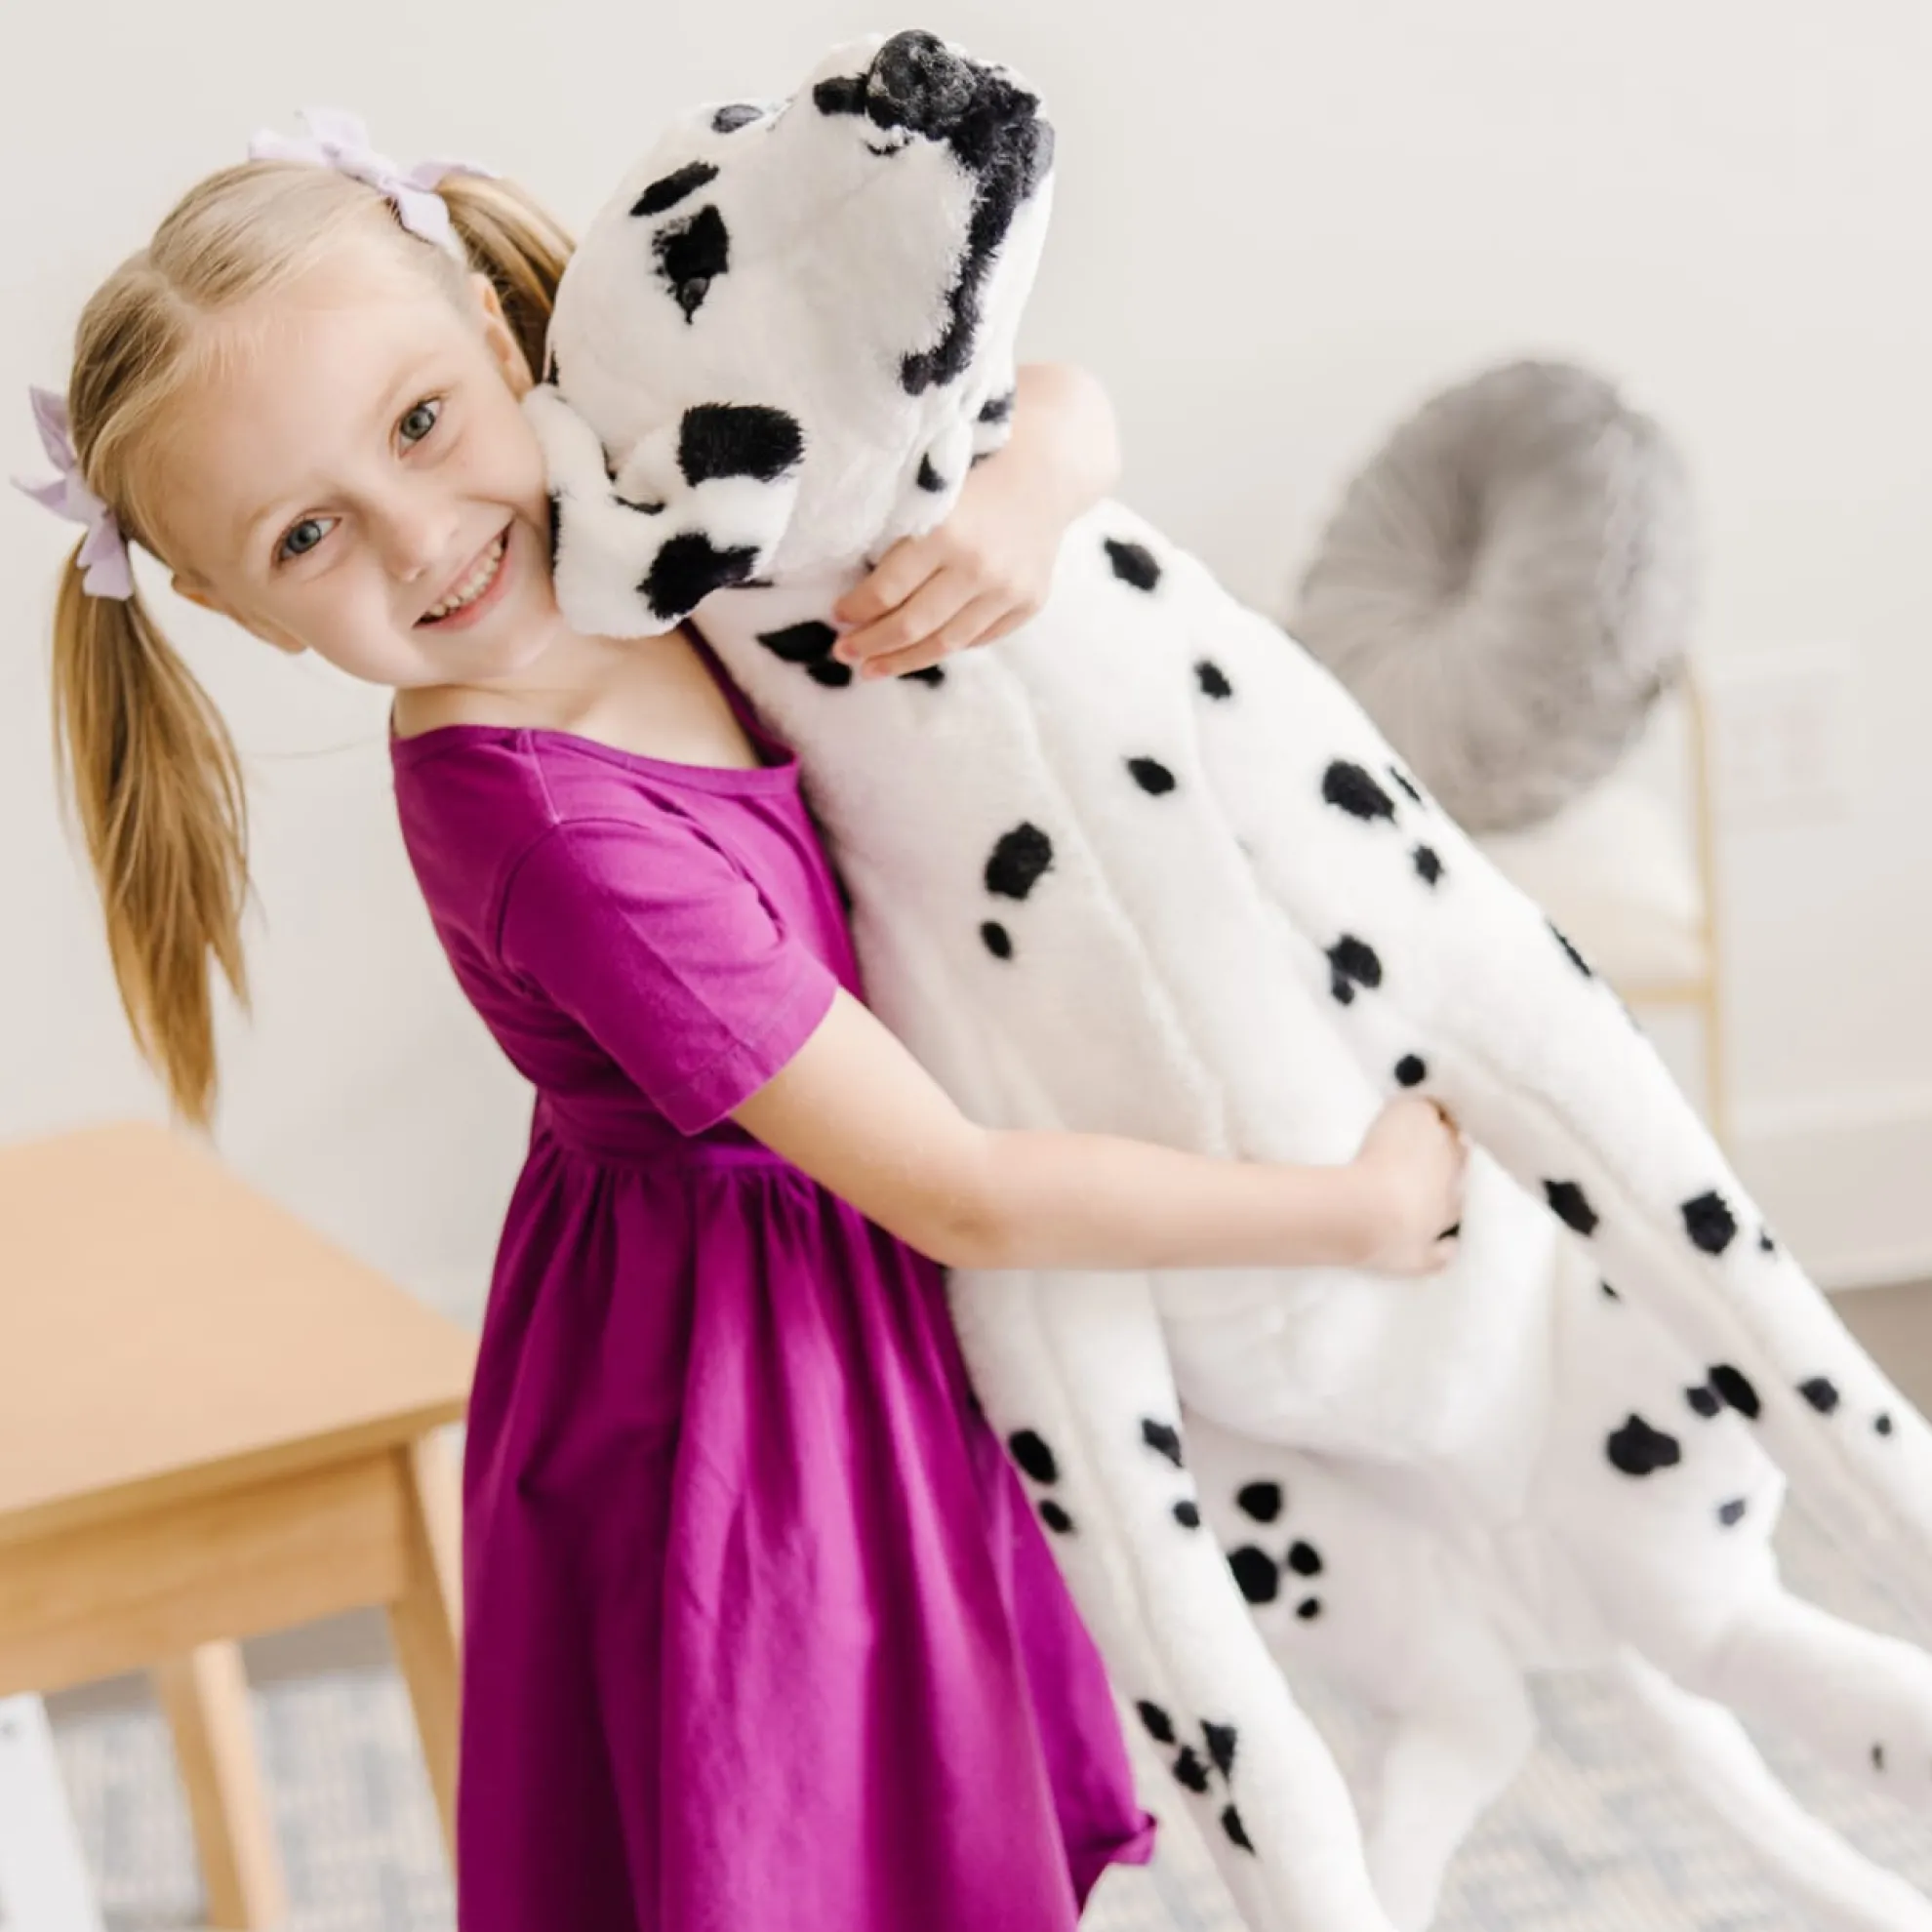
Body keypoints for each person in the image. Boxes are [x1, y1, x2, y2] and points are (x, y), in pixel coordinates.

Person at [19, 114, 1467, 1932]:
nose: (427, 537)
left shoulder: (646, 492)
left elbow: (1052, 396)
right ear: (229, 606)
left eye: (420, 425)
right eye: (312, 536)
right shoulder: (555, 832)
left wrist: (1016, 500)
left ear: (490, 329)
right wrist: (1355, 1215)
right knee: (815, 1853)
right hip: (740, 1407)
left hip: (826, 1303)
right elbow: (962, 1191)